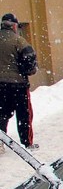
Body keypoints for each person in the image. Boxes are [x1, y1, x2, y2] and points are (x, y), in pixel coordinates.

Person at [0, 13, 38, 152]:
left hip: (1, 86)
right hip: (18, 84)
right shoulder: (19, 41)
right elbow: (29, 59)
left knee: (2, 114)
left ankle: (0, 142)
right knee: (24, 114)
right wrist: (29, 70)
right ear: (14, 26)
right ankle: (27, 143)